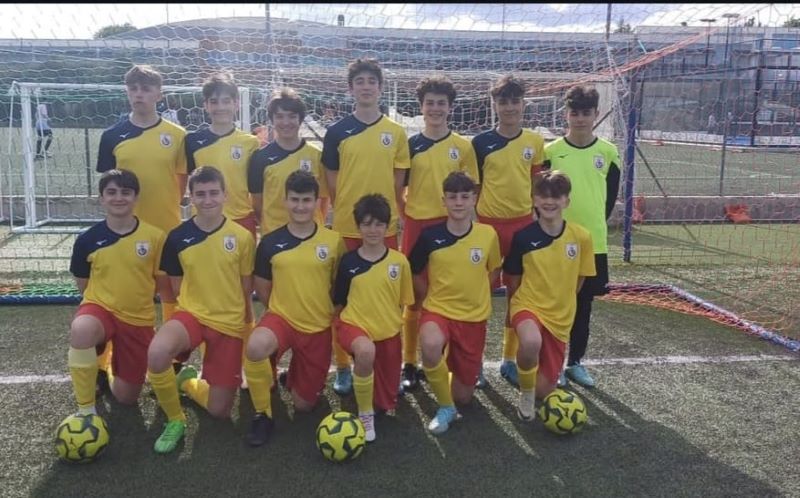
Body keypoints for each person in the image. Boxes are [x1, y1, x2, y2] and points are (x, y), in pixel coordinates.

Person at [146, 166, 255, 454]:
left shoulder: (242, 237)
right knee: (157, 353)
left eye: (214, 193)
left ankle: (187, 383)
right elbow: (176, 288)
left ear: (225, 195)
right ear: (191, 197)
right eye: (201, 194)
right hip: (192, 315)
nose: (208, 200)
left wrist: (245, 324)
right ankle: (175, 419)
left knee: (220, 411)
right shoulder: (177, 237)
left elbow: (245, 287)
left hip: (229, 324)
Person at [95, 64, 188, 390]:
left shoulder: (177, 136)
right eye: (133, 88)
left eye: (146, 89)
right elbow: (109, 187)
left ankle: (172, 361)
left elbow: (181, 183)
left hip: (167, 232)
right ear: (127, 92)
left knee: (170, 295)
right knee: (120, 297)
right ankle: (101, 365)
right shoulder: (112, 136)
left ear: (158, 94)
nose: (139, 94)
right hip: (124, 232)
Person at [322, 58, 410, 395]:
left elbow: (397, 183)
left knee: (386, 298)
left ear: (380, 87)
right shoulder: (336, 132)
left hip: (384, 229)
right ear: (351, 89)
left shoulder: (396, 133)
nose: (366, 86)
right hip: (347, 227)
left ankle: (389, 366)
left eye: (372, 81)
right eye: (359, 81)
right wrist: (346, 209)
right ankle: (344, 367)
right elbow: (332, 182)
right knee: (342, 298)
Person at [243, 170, 346, 447]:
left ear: (317, 202)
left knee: (303, 406)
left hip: (317, 327)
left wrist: (321, 309)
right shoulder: (269, 242)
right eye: (295, 200)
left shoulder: (333, 241)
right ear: (285, 201)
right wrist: (282, 309)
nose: (301, 206)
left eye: (306, 200)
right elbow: (263, 287)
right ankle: (262, 415)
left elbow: (338, 285)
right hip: (282, 320)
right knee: (255, 346)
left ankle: (295, 376)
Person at [67, 169, 167, 417]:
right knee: (82, 328)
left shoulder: (155, 237)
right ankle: (86, 412)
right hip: (101, 309)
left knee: (126, 397)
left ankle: (110, 365)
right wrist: (99, 307)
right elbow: (83, 285)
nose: (118, 198)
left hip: (137, 318)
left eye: (125, 192)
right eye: (111, 192)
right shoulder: (87, 240)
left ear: (136, 197)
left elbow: (159, 283)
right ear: (101, 198)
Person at [400, 75, 479, 391]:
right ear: (421, 107)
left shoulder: (463, 146)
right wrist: (407, 215)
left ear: (450, 107)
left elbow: (472, 190)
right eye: (430, 103)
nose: (435, 108)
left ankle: (446, 361)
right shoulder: (410, 146)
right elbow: (398, 187)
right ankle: (409, 363)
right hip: (417, 226)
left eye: (441, 103)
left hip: (450, 228)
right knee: (414, 297)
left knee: (449, 293)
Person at [409, 171, 501, 435]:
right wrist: (428, 294)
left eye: (464, 196)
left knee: (464, 397)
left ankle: (457, 381)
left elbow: (494, 269)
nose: (458, 202)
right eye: (452, 197)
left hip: (473, 317)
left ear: (474, 199)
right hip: (438, 310)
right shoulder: (429, 236)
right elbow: (413, 270)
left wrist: (478, 292)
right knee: (430, 344)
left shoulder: (488, 234)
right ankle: (445, 407)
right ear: (444, 201)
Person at [542, 85, 621, 388]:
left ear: (596, 114)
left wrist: (592, 226)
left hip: (592, 242)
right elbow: (543, 197)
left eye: (586, 113)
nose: (580, 118)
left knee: (583, 305)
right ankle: (553, 365)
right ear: (567, 114)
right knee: (554, 304)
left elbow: (608, 199)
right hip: (556, 240)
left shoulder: (608, 152)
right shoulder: (551, 152)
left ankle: (575, 362)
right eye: (574, 112)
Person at [503, 170, 595, 420]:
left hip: (561, 316)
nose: (549, 201)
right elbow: (513, 278)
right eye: (543, 196)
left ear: (567, 201)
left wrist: (562, 300)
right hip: (528, 305)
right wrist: (516, 306)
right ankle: (525, 393)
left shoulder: (582, 237)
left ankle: (533, 384)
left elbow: (581, 277)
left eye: (556, 196)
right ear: (534, 199)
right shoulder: (523, 237)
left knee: (545, 391)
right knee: (531, 342)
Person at [471, 74, 544, 389]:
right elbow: (475, 187)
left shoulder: (535, 142)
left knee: (518, 295)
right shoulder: (480, 143)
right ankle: (474, 363)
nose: (510, 107)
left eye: (515, 101)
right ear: (495, 105)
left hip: (522, 228)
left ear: (523, 104)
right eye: (503, 101)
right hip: (487, 228)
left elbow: (537, 185)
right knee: (479, 296)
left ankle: (508, 359)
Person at [333, 194, 414, 441]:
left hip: (387, 333)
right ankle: (364, 414)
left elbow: (401, 302)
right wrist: (341, 329)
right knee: (366, 351)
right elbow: (339, 301)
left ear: (387, 226)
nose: (372, 230)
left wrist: (388, 325)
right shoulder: (348, 262)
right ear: (358, 227)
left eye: (379, 224)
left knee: (386, 403)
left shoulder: (399, 262)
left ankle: (374, 394)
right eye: (366, 224)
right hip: (353, 326)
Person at [185, 72, 260, 238]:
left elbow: (256, 190)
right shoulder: (192, 141)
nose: (220, 107)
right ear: (206, 105)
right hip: (203, 221)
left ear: (236, 104)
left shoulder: (251, 142)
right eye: (214, 102)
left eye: (226, 101)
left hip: (240, 219)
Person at [248, 88, 329, 236]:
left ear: (300, 119)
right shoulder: (260, 158)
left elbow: (323, 199)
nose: (286, 122)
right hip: (274, 235)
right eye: (279, 116)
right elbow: (257, 204)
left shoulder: (316, 155)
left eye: (292, 116)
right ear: (272, 120)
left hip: (310, 236)